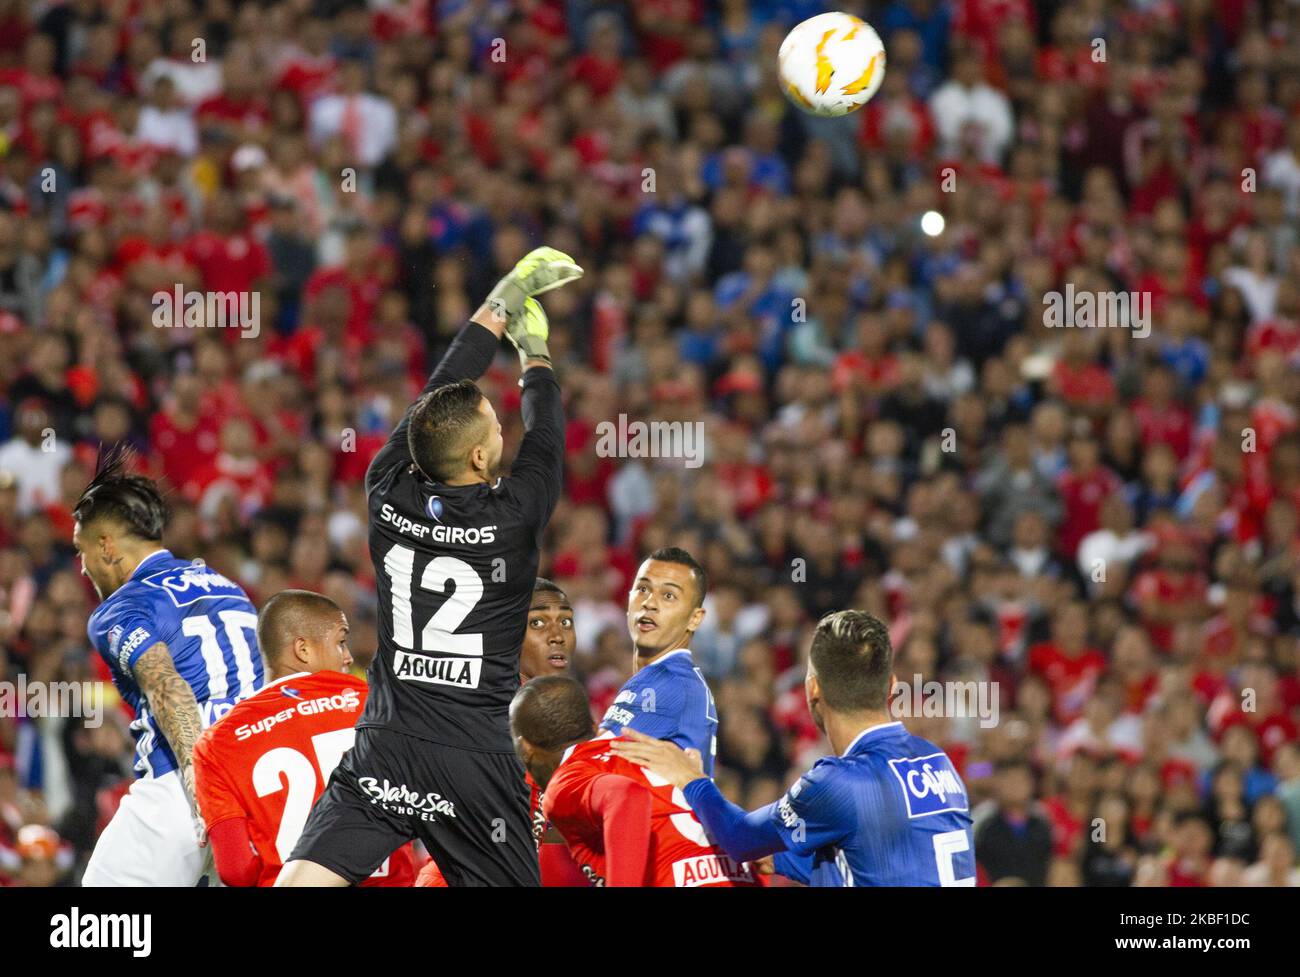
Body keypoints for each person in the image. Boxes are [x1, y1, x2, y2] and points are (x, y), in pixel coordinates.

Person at [278, 247, 581, 887]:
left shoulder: (384, 488)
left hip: (387, 743)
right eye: (495, 427)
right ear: (478, 458)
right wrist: (536, 358)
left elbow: (433, 395)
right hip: (474, 759)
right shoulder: (518, 512)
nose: (503, 430)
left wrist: (496, 307)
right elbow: (547, 435)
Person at [612, 609, 976, 886]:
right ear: (892, 685)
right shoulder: (936, 759)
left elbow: (740, 838)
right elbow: (882, 860)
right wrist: (783, 858)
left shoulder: (838, 782)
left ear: (813, 689)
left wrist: (692, 779)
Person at [76, 448, 264, 885]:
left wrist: (204, 792)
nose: (82, 568)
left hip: (185, 782)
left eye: (81, 550)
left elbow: (167, 686)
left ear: (106, 546)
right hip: (258, 781)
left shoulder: (125, 604)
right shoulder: (228, 587)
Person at [192, 590, 416, 886]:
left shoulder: (217, 742)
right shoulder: (381, 705)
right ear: (303, 649)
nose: (348, 656)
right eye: (340, 642)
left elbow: (236, 870)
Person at [511, 675, 761, 887]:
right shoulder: (652, 750)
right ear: (594, 725)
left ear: (525, 748)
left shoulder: (567, 781)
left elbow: (626, 797)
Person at [416, 577, 587, 886]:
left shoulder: (535, 706)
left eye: (565, 621)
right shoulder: (491, 704)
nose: (557, 635)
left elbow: (526, 816)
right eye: (537, 622)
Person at [598, 547, 719, 774]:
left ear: (695, 619)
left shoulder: (669, 681)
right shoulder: (676, 679)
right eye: (643, 589)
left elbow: (589, 766)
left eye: (668, 595)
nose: (649, 603)